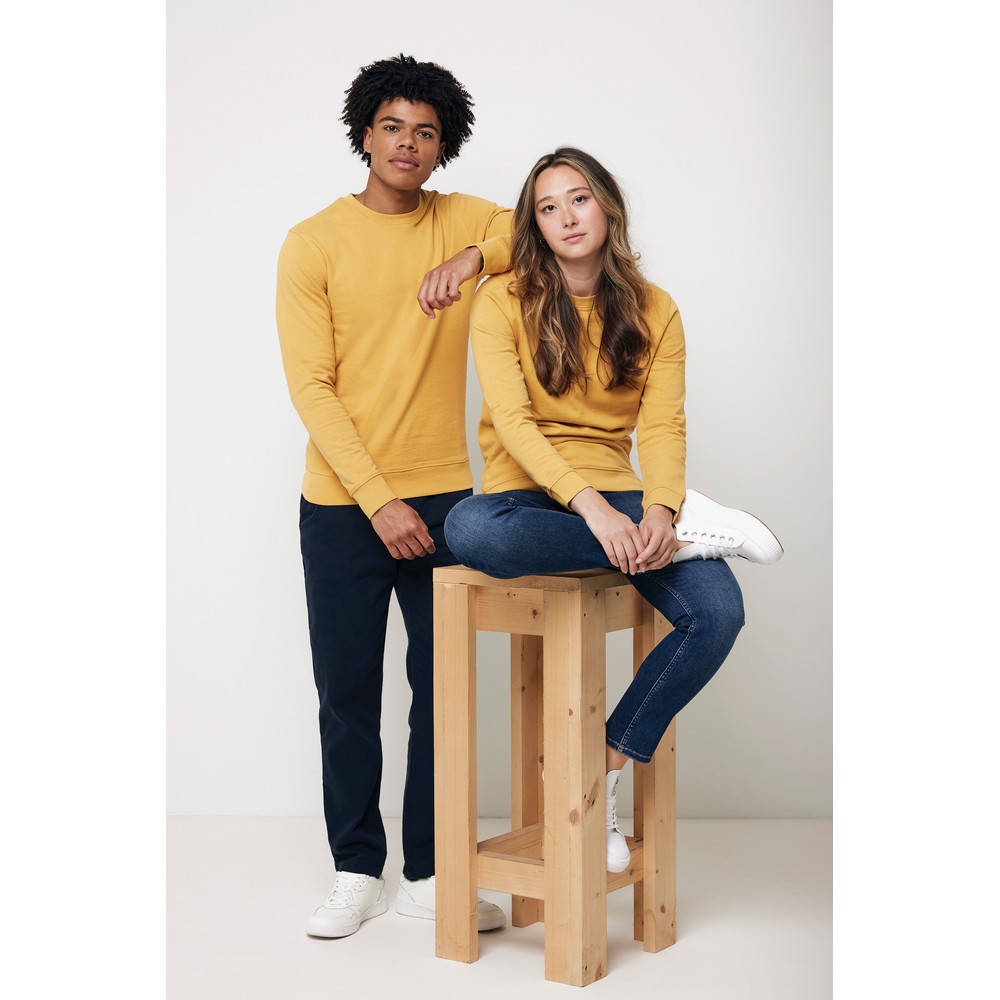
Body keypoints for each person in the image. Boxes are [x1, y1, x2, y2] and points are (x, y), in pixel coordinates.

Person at [443, 147, 783, 873]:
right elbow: (514, 424)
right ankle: (693, 537)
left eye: (580, 199)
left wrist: (657, 511)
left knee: (718, 612)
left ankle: (606, 765)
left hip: (623, 496)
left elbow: (662, 427)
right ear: (534, 225)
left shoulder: (656, 309)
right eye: (548, 207)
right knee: (468, 529)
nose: (567, 217)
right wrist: (596, 513)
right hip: (525, 496)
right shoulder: (501, 301)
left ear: (608, 207)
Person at [276, 54, 510, 939]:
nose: (408, 144)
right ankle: (356, 869)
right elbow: (312, 388)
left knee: (443, 692)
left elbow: (537, 231)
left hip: (447, 501)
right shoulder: (313, 242)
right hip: (345, 505)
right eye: (392, 127)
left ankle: (430, 870)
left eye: (426, 132)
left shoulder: (463, 218)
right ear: (365, 135)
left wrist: (473, 255)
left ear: (443, 146)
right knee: (348, 694)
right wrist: (378, 500)